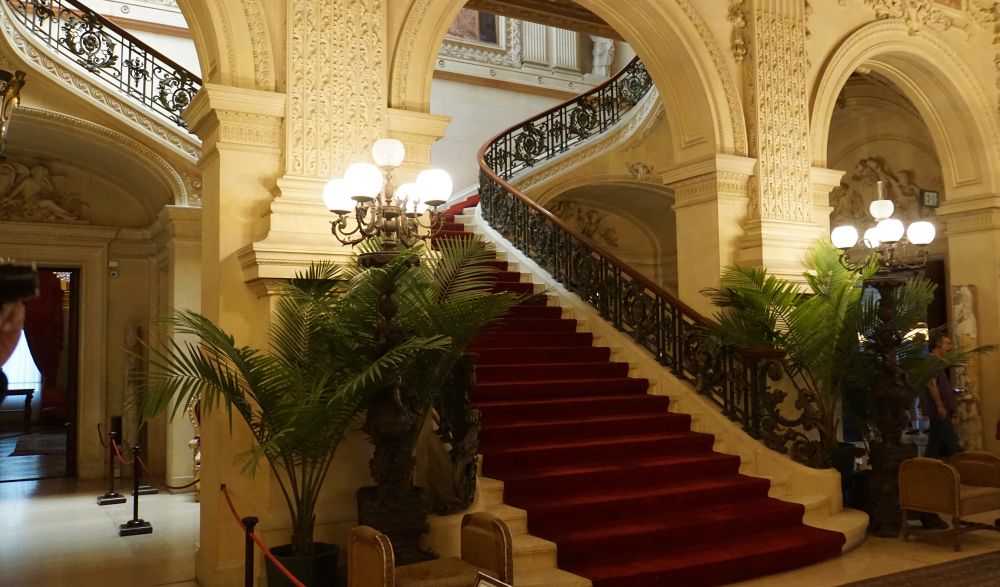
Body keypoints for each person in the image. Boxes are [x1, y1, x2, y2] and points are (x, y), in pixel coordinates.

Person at [915, 333, 960, 529]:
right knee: (954, 447)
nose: (950, 347)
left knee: (934, 450)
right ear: (938, 345)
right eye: (947, 343)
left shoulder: (937, 363)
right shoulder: (932, 361)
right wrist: (941, 405)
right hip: (939, 413)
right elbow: (931, 384)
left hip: (940, 413)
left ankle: (926, 485)